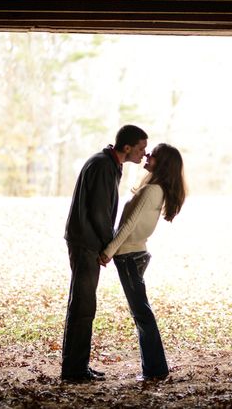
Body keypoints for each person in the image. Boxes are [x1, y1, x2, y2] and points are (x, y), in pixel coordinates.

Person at [61, 124, 148, 382]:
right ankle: (74, 370)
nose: (144, 153)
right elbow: (99, 212)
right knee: (83, 306)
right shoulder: (102, 165)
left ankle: (77, 366)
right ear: (127, 147)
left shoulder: (109, 164)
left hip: (87, 241)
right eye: (141, 148)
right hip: (86, 243)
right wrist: (109, 246)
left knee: (83, 304)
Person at [99, 143, 186, 381]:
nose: (147, 155)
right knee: (142, 313)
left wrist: (108, 251)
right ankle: (155, 369)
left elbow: (128, 226)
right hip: (135, 253)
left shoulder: (151, 191)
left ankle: (155, 370)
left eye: (153, 155)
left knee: (142, 314)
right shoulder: (154, 189)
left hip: (129, 255)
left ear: (163, 163)